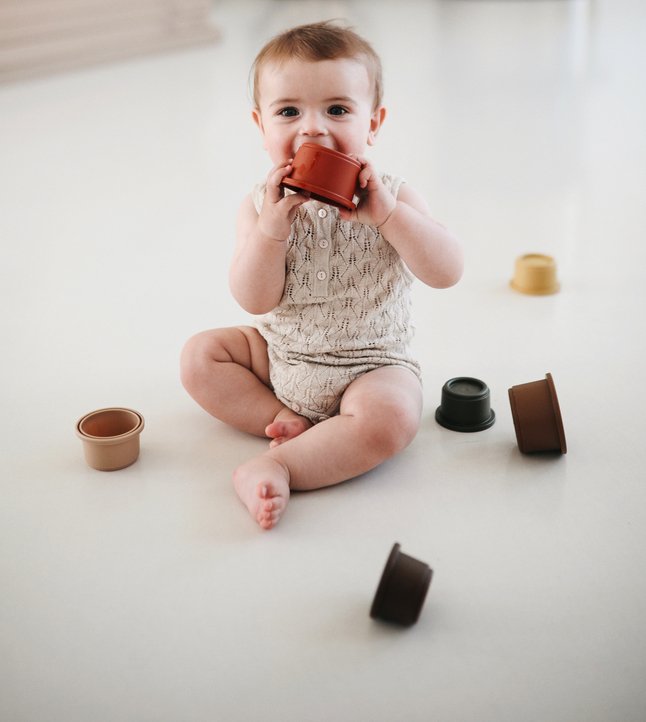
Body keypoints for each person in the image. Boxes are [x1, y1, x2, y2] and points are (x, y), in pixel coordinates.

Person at [180, 20, 463, 530]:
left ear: (373, 124)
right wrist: (271, 231)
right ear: (261, 126)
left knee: (395, 417)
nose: (312, 127)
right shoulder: (257, 207)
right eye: (288, 111)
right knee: (200, 358)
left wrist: (389, 216)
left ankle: (280, 462)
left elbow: (447, 272)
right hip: (282, 355)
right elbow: (254, 299)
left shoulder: (394, 197)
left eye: (337, 109)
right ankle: (284, 418)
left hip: (373, 365)